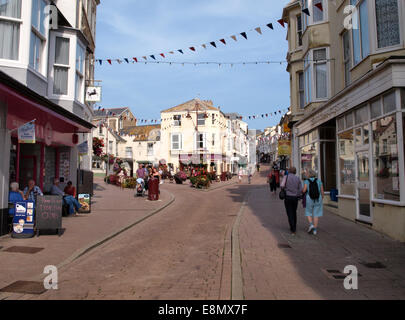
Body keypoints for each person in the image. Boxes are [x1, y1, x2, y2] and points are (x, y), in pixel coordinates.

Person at [280, 167, 302, 235]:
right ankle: (294, 226)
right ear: (295, 172)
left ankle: (293, 228)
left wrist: (286, 188)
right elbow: (300, 189)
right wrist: (297, 193)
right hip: (295, 197)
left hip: (288, 197)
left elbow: (282, 185)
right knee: (294, 211)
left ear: (289, 171)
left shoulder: (286, 177)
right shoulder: (298, 178)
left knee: (289, 212)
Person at [302, 169, 324, 235]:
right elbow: (322, 191)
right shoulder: (319, 181)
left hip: (309, 199)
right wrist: (322, 197)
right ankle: (315, 230)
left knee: (308, 212)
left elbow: (304, 190)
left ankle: (311, 225)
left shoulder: (306, 181)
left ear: (309, 174)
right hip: (318, 199)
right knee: (316, 214)